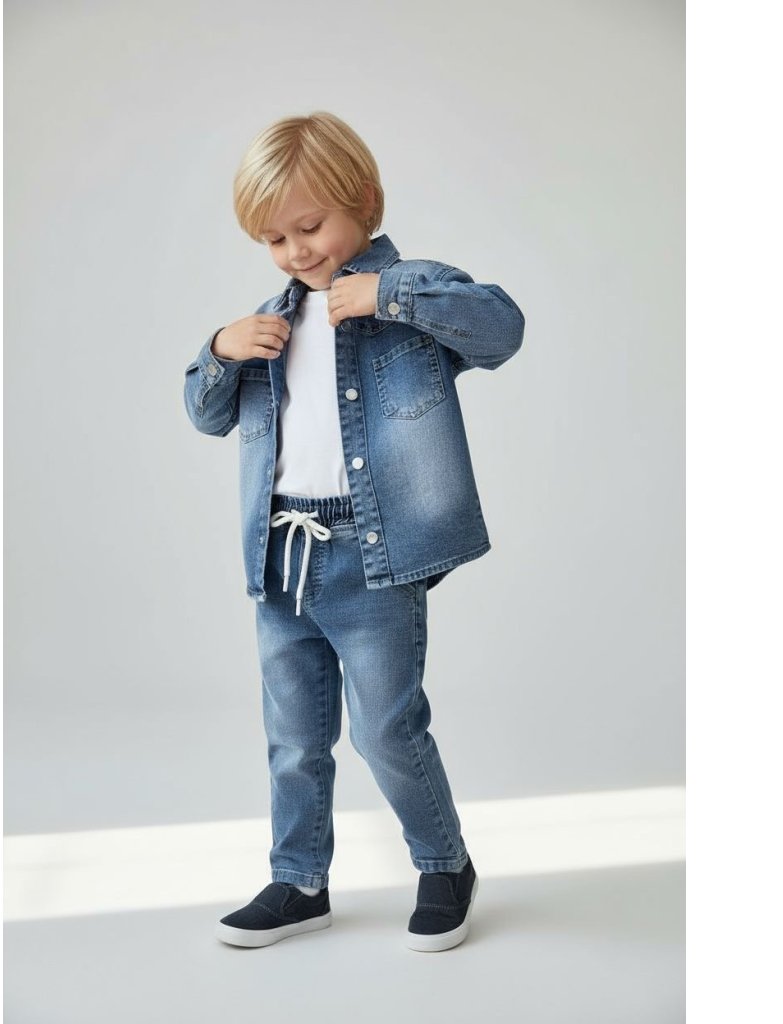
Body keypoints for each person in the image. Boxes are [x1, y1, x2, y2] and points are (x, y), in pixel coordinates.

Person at [184, 111, 525, 951]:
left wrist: (392, 294)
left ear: (364, 201)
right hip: (282, 556)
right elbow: (206, 414)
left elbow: (502, 329)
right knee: (294, 739)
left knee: (384, 729)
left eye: (309, 226)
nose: (295, 251)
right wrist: (221, 349)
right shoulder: (268, 321)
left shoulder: (408, 293)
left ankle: (444, 864)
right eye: (274, 239)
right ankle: (299, 881)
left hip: (372, 554)